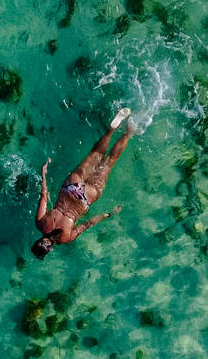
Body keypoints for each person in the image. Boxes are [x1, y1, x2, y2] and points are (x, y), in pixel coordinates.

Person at [32, 108, 134, 258]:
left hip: (85, 198)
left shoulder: (66, 238)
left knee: (110, 160)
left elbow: (88, 224)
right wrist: (44, 173)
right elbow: (44, 195)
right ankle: (112, 129)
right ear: (38, 240)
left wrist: (109, 213)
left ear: (50, 249)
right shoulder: (40, 223)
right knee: (97, 153)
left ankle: (130, 129)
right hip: (71, 186)